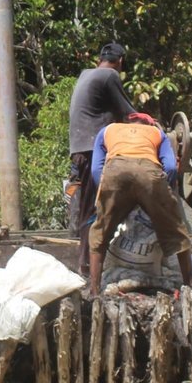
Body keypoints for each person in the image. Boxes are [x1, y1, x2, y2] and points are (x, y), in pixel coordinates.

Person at [87, 112, 192, 298]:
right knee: (176, 232)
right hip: (149, 174)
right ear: (149, 124)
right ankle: (189, 287)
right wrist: (164, 195)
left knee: (100, 233)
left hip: (115, 171)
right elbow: (170, 167)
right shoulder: (157, 133)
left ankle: (95, 291)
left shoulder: (107, 130)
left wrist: (106, 197)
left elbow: (96, 169)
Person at [67, 42, 134, 274]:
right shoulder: (109, 76)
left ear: (100, 59)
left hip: (79, 150)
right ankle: (88, 266)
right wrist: (153, 127)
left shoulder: (86, 74)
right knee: (95, 208)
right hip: (92, 150)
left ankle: (87, 262)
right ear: (120, 61)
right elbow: (129, 114)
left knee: (86, 207)